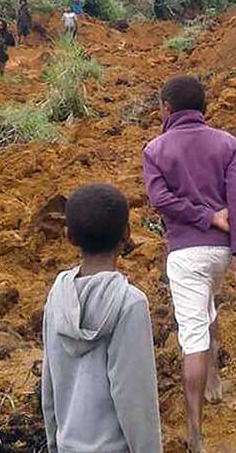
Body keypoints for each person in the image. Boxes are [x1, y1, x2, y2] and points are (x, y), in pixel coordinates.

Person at [141, 75, 236, 453]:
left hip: (185, 254)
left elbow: (160, 200)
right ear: (202, 108)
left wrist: (201, 218)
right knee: (207, 306)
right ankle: (215, 383)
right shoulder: (226, 143)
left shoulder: (155, 149)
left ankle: (195, 435)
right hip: (221, 252)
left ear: (167, 109)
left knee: (191, 335)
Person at [41, 183, 162, 453]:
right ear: (127, 234)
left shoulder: (57, 296)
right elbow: (134, 398)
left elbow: (49, 385)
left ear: (68, 235)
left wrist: (54, 443)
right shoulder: (130, 304)